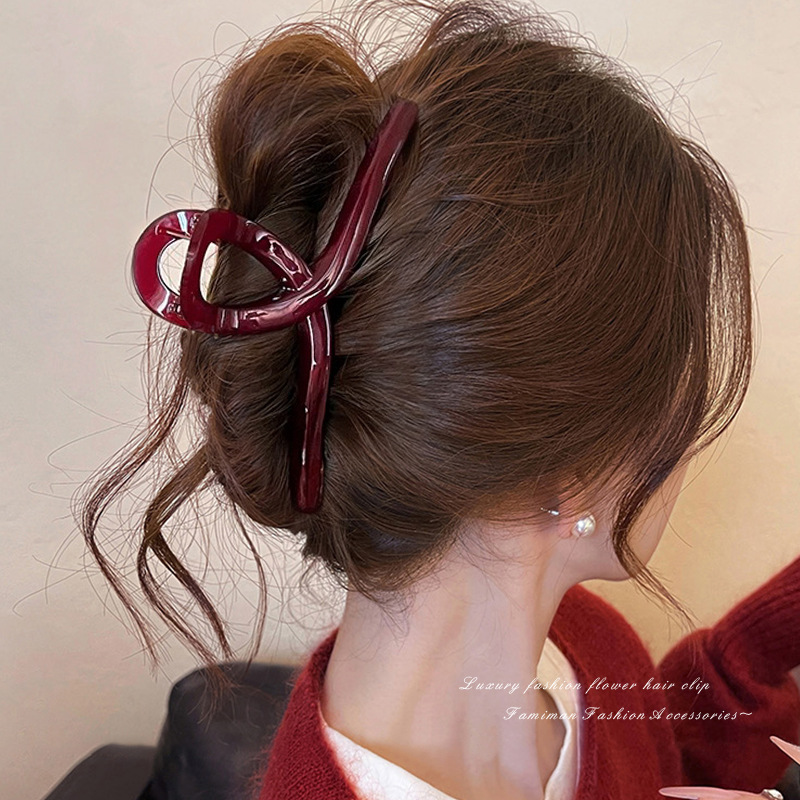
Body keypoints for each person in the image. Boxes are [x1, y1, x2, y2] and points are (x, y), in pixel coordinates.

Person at [75, 0, 800, 798]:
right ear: (565, 478)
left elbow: (646, 762)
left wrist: (761, 646)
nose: (693, 438)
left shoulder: (582, 643)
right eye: (680, 385)